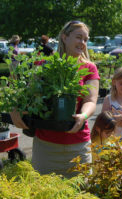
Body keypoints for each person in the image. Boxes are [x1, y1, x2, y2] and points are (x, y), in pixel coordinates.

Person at [10, 21, 100, 178]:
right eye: (79, 37)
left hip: (78, 146)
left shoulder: (89, 68)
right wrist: (15, 109)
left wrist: (83, 116)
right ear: (64, 37)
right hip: (46, 147)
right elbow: (28, 97)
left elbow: (90, 101)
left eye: (86, 39)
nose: (83, 43)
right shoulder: (44, 65)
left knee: (81, 192)